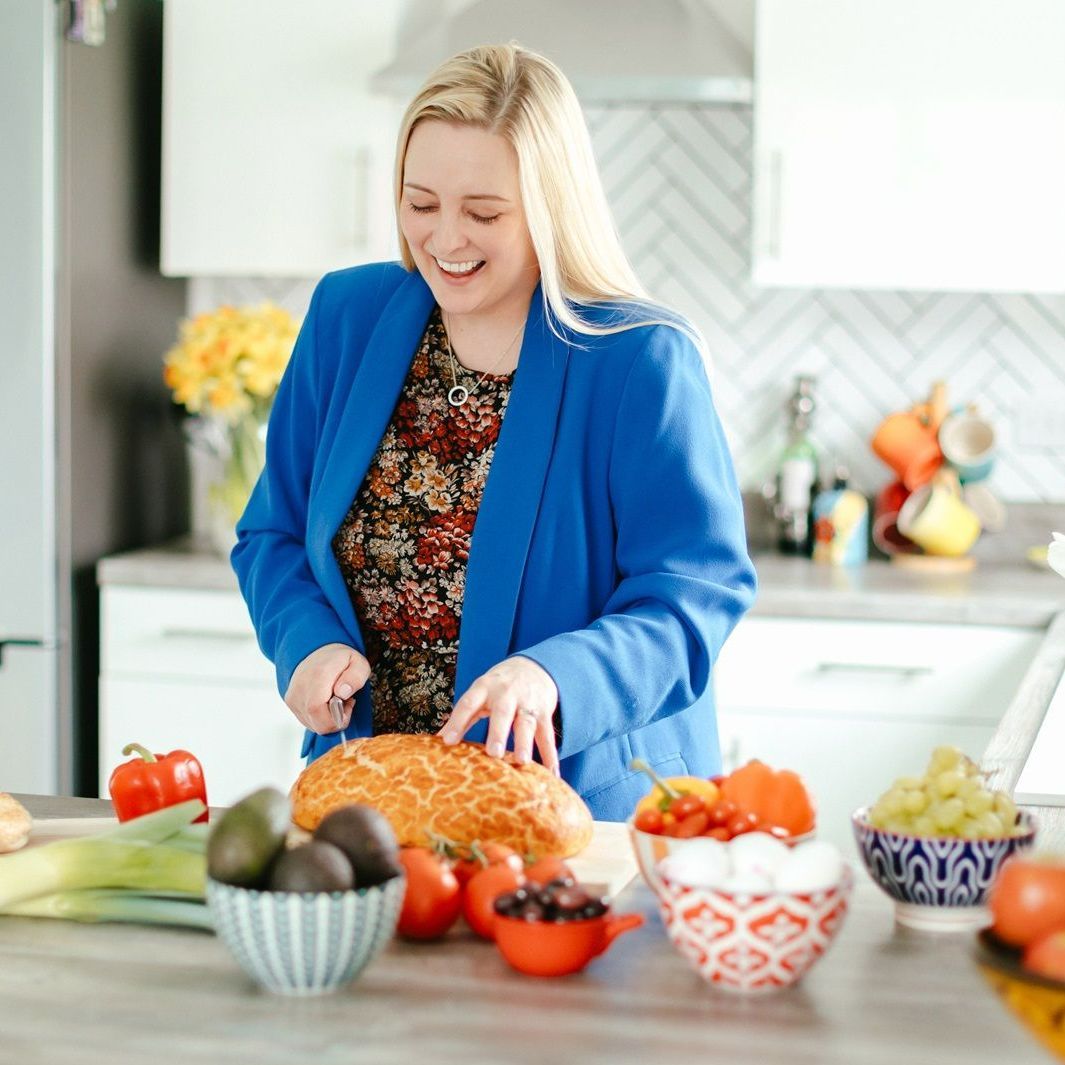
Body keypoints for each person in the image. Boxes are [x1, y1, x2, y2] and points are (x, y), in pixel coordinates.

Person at [232, 43, 757, 821]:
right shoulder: (348, 319)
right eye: (420, 203)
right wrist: (302, 642)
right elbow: (271, 533)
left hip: (580, 811)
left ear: (550, 206)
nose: (444, 239)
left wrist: (555, 677)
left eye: (482, 213)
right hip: (377, 803)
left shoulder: (638, 359)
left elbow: (693, 597)